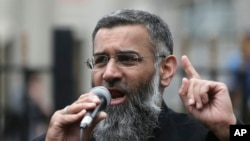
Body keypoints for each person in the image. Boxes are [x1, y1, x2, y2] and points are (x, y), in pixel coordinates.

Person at [33, 9, 240, 141]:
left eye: (127, 59)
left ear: (166, 70)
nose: (109, 73)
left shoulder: (200, 135)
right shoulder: (68, 136)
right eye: (101, 60)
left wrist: (230, 128)